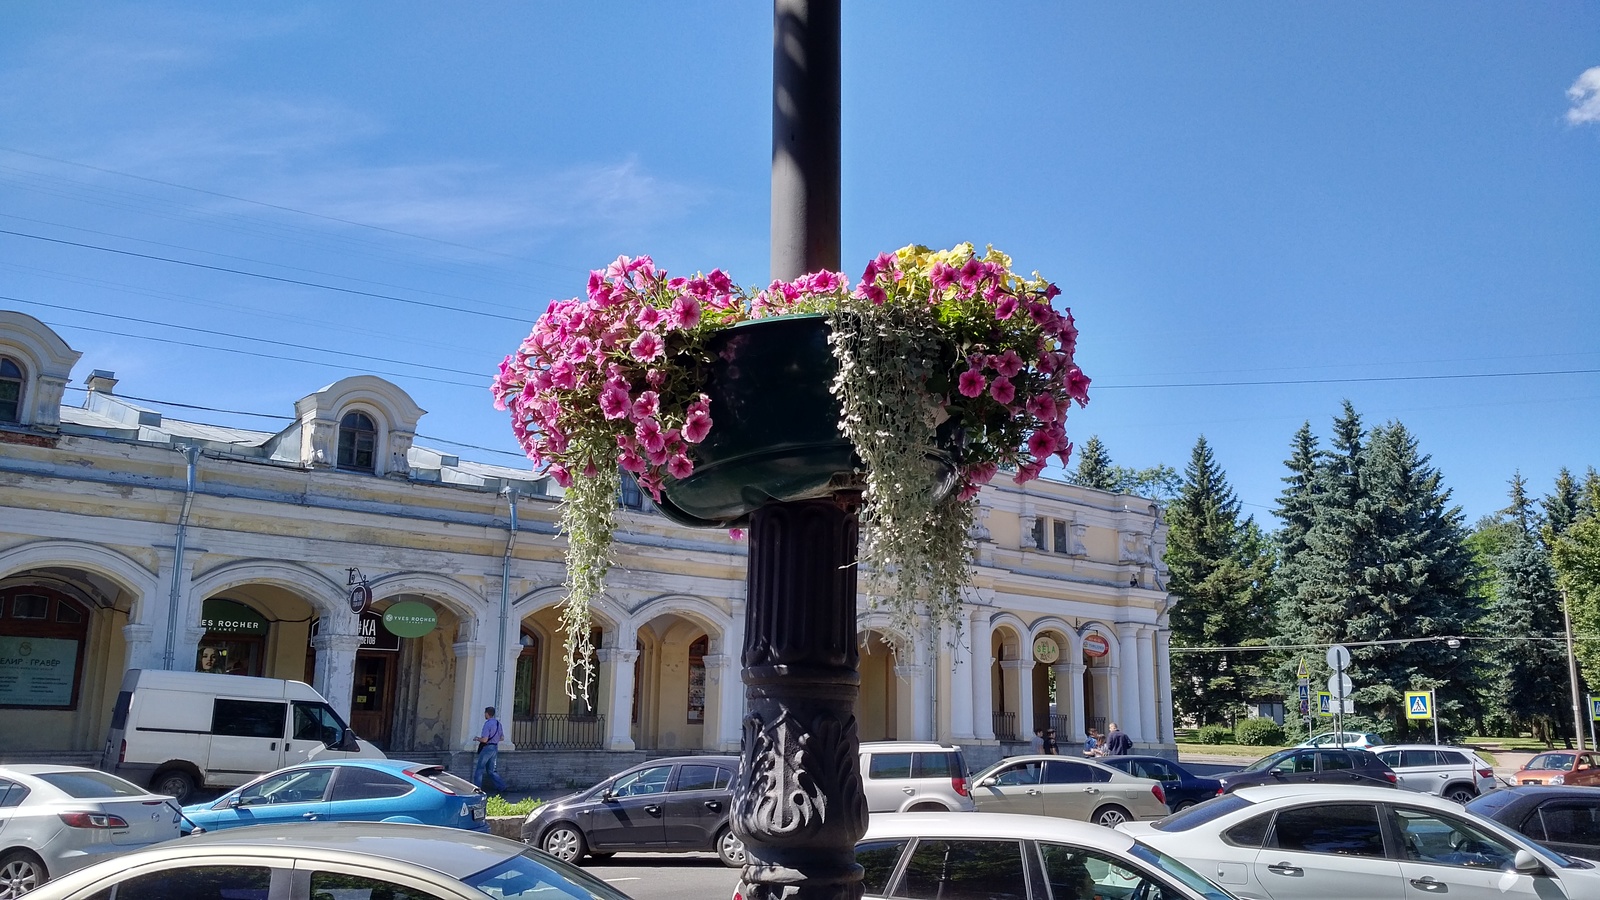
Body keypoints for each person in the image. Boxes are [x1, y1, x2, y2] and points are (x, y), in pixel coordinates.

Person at [473, 706, 507, 792]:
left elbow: (484, 739)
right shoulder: (498, 724)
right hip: (495, 748)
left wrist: (477, 738)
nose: (484, 715)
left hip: (487, 748)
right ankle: (502, 786)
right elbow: (502, 738)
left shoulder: (487, 724)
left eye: (485, 713)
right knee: (491, 770)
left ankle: (477, 789)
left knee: (479, 769)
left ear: (487, 714)